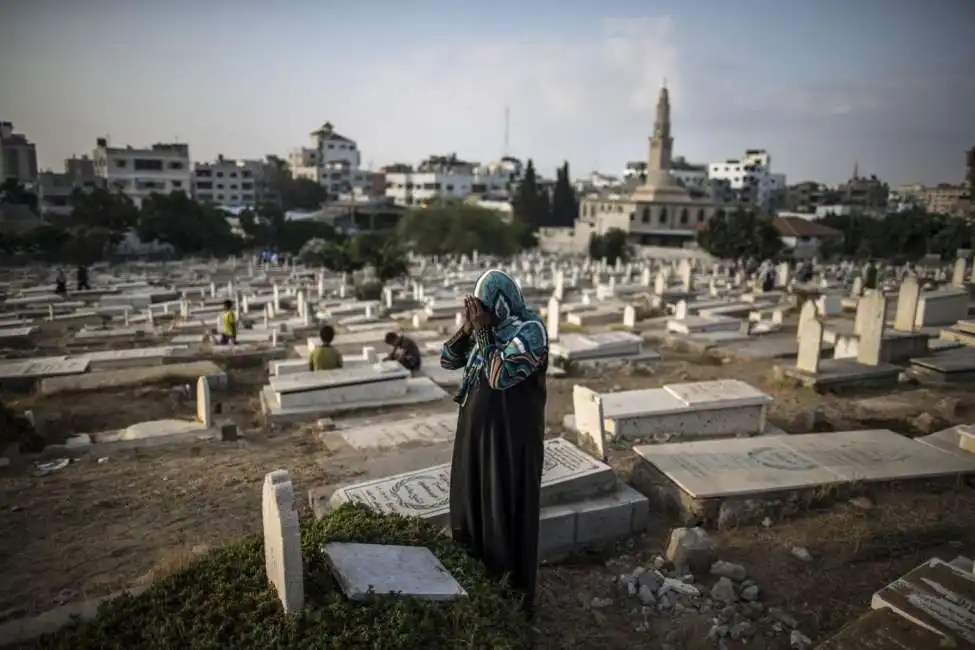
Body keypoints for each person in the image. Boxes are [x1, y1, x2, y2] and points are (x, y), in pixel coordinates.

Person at [440, 268, 549, 620]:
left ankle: (510, 602)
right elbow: (447, 359)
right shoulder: (485, 331)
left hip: (509, 443)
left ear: (503, 302)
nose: (480, 314)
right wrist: (468, 329)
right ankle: (477, 590)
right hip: (476, 438)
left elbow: (499, 375)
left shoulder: (529, 331)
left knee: (504, 509)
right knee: (472, 506)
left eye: (484, 308)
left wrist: (485, 332)